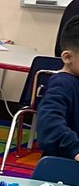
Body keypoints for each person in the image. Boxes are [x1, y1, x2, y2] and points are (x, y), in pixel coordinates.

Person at [36, 15, 79, 162]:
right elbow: (49, 123)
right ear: (68, 57)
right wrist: (74, 148)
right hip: (64, 167)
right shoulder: (62, 84)